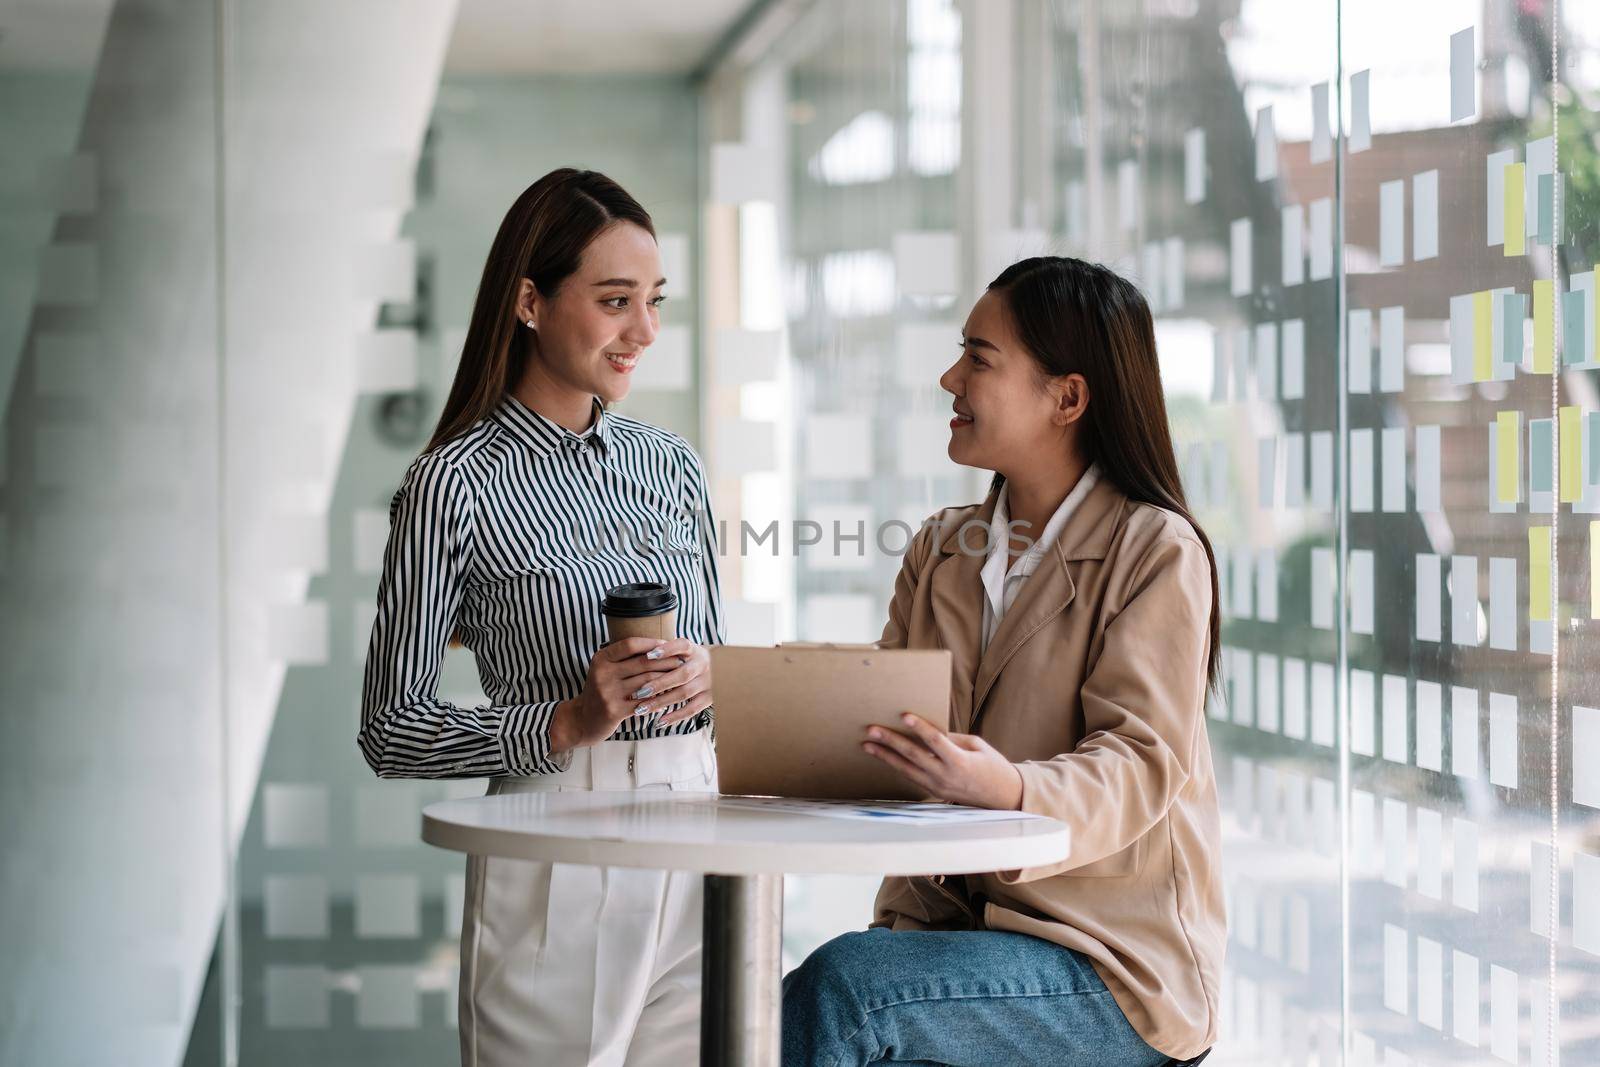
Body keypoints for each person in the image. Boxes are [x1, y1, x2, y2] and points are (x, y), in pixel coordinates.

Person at [781, 257, 1225, 1066]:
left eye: (979, 358)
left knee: (840, 992)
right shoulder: (943, 546)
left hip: (1105, 967)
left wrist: (1011, 790)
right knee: (794, 997)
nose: (950, 377)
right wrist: (745, 691)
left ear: (1068, 396)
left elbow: (1140, 762)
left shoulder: (1155, 550)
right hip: (948, 937)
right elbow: (884, 716)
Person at [358, 168, 722, 1067]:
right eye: (613, 300)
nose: (644, 331)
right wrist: (566, 720)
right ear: (529, 300)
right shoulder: (453, 482)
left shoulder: (671, 463)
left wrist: (719, 673)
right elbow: (389, 730)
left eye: (653, 301)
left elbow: (721, 659)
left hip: (708, 828)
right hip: (559, 835)